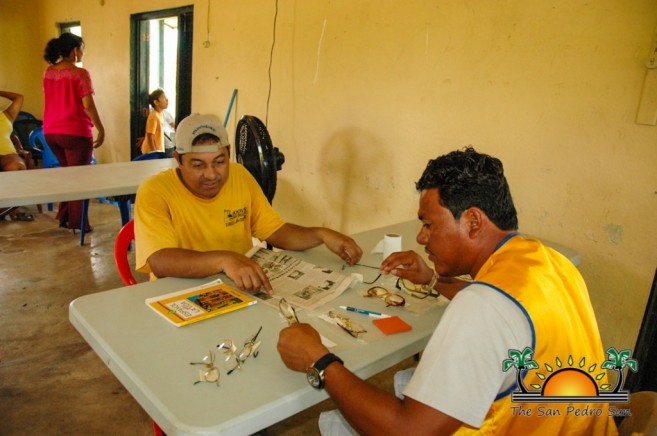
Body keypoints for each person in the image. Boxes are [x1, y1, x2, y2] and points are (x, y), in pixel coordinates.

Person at [277, 147, 616, 435]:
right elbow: (510, 315)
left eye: (429, 225)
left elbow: (407, 431)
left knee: (346, 417)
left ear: (473, 221)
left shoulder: (481, 308)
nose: (422, 238)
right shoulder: (548, 260)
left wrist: (319, 361)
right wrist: (434, 281)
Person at [134, 113, 363, 292]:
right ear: (178, 160)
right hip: (178, 292)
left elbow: (274, 230)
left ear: (230, 154)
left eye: (219, 161)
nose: (212, 174)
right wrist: (225, 259)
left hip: (238, 286)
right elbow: (159, 261)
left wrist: (321, 234)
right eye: (198, 165)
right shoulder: (155, 191)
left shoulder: (240, 176)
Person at [43, 32, 105, 232]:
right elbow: (88, 105)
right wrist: (101, 128)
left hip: (50, 132)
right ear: (75, 50)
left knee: (68, 175)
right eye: (82, 49)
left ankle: (64, 216)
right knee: (79, 179)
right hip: (75, 132)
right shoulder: (80, 73)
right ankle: (78, 223)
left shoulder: (48, 72)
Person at [0, 90, 33, 221]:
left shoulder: (6, 115)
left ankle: (12, 208)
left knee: (17, 166)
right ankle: (4, 209)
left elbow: (19, 97)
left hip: (7, 154)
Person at [141, 88, 169, 155]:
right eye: (163, 98)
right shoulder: (154, 116)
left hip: (158, 151)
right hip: (150, 152)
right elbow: (150, 135)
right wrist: (154, 153)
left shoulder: (160, 114)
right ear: (156, 102)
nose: (167, 99)